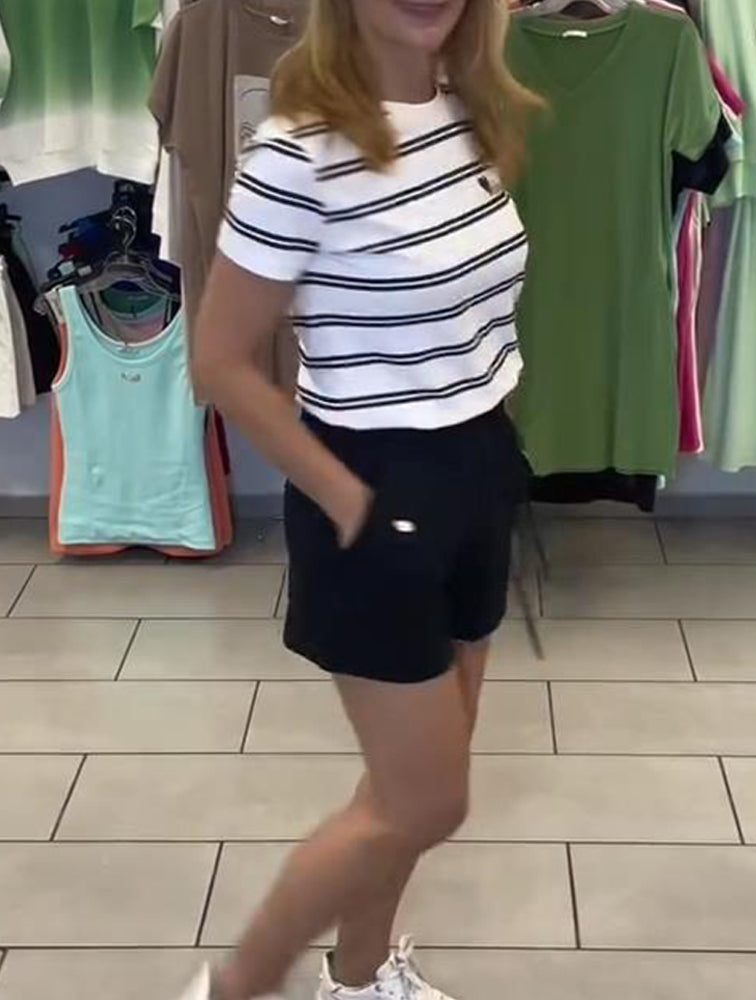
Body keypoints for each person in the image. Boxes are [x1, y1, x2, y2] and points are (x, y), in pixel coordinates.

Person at [182, 1, 539, 998]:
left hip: (475, 468)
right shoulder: (298, 152)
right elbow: (220, 359)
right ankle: (234, 987)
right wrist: (349, 503)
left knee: (405, 787)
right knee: (428, 800)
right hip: (376, 487)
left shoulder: (467, 110)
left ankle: (359, 975)